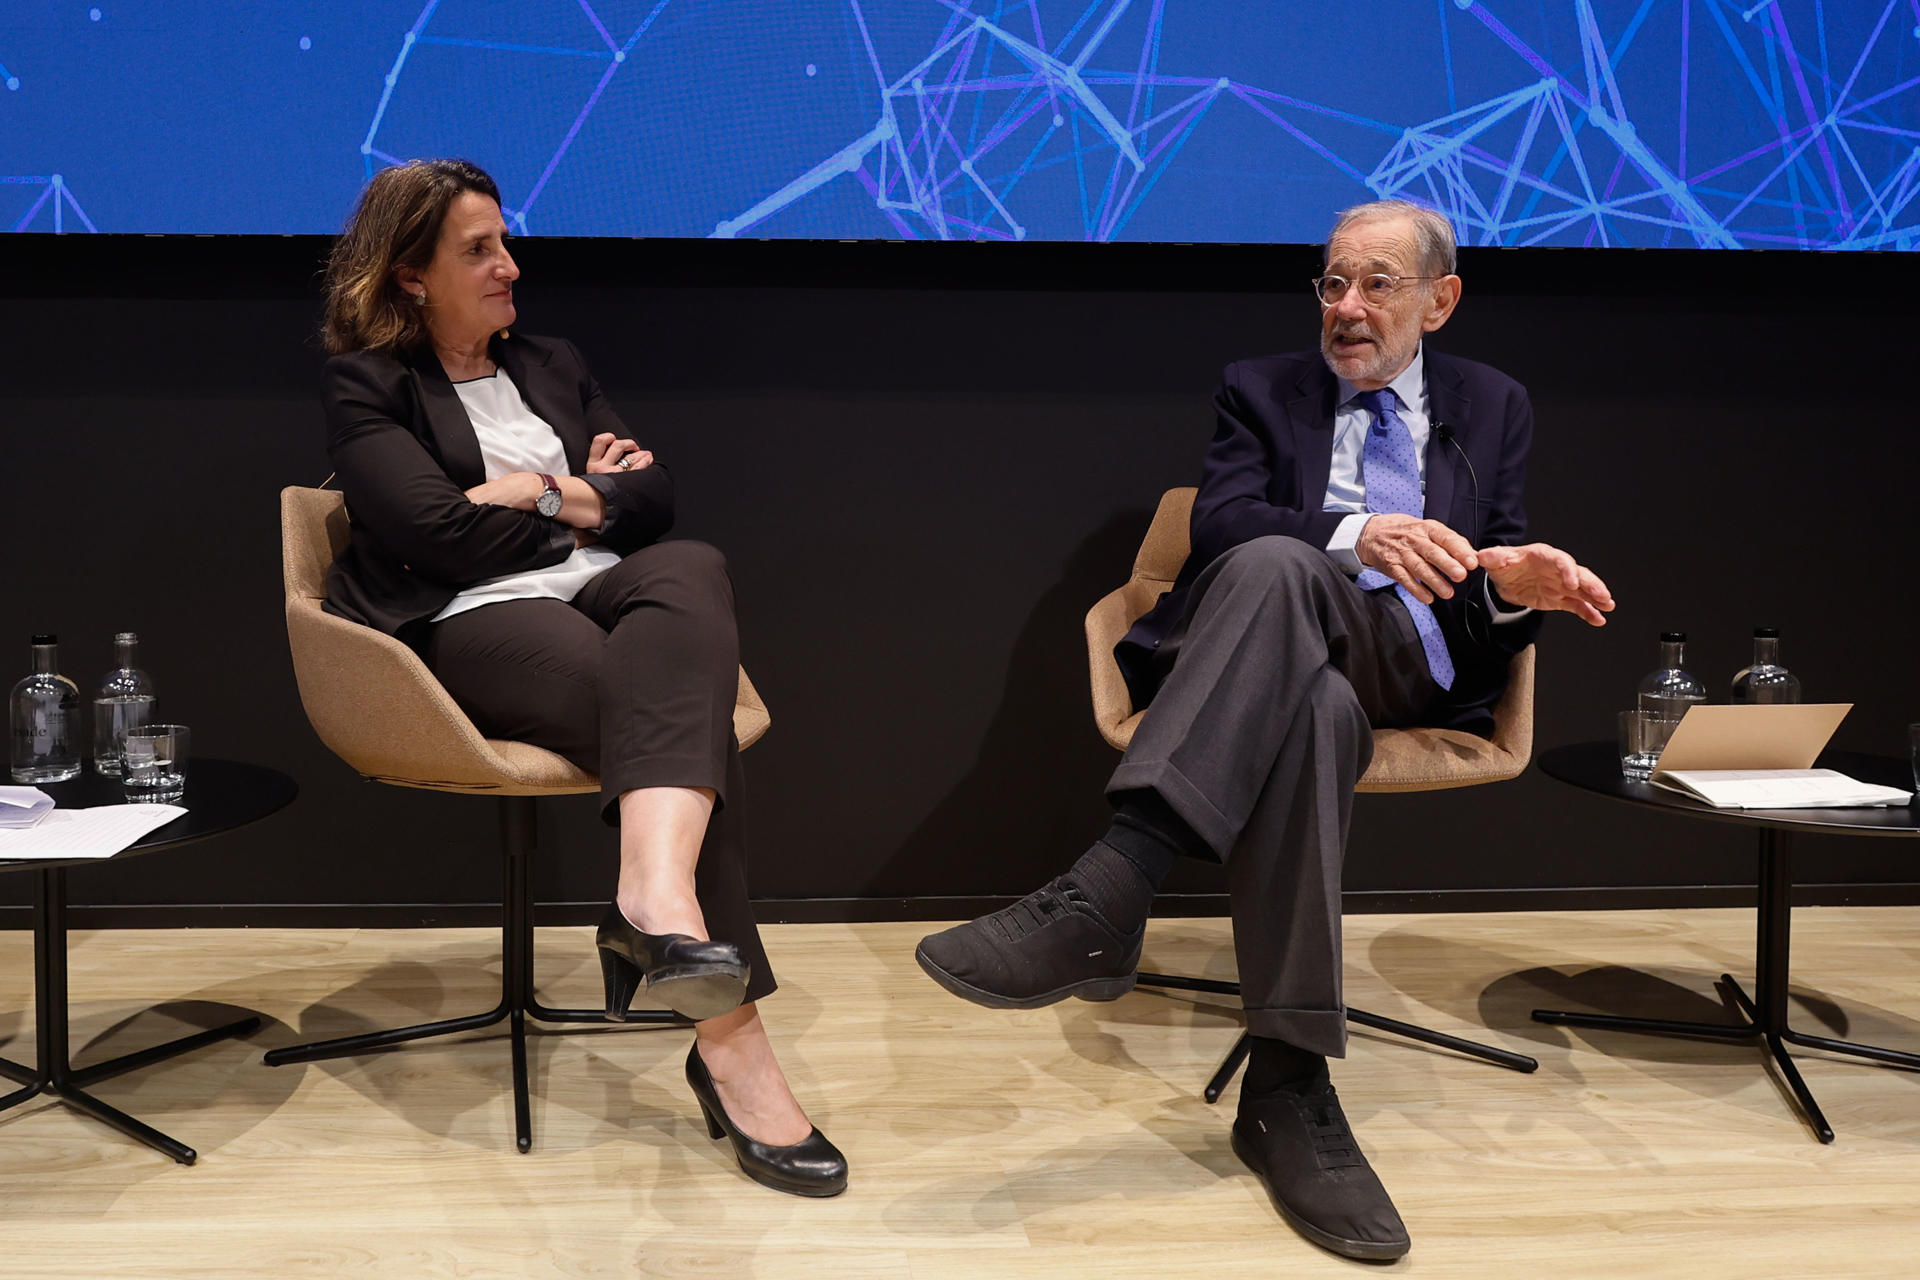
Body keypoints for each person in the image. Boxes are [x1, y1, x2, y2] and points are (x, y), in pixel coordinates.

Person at [916, 199, 1613, 1258]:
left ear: (1441, 298)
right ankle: (1288, 1087)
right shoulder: (1260, 387)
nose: (1347, 306)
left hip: (1413, 663)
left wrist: (1511, 585)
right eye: (1332, 282)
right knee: (1305, 671)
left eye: (1377, 282)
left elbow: (1491, 568)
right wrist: (1357, 533)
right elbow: (1227, 520)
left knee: (1301, 599)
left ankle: (1113, 883)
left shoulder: (1494, 403)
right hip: (1274, 652)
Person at [318, 158, 845, 1198]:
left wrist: (532, 489)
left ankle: (651, 897)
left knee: (692, 570)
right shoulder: (368, 382)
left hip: (604, 590)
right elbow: (437, 540)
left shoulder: (553, 360)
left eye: (505, 240)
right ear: (412, 273)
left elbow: (660, 504)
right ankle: (732, 1048)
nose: (510, 265)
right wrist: (583, 495)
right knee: (665, 714)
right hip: (473, 625)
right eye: (478, 250)